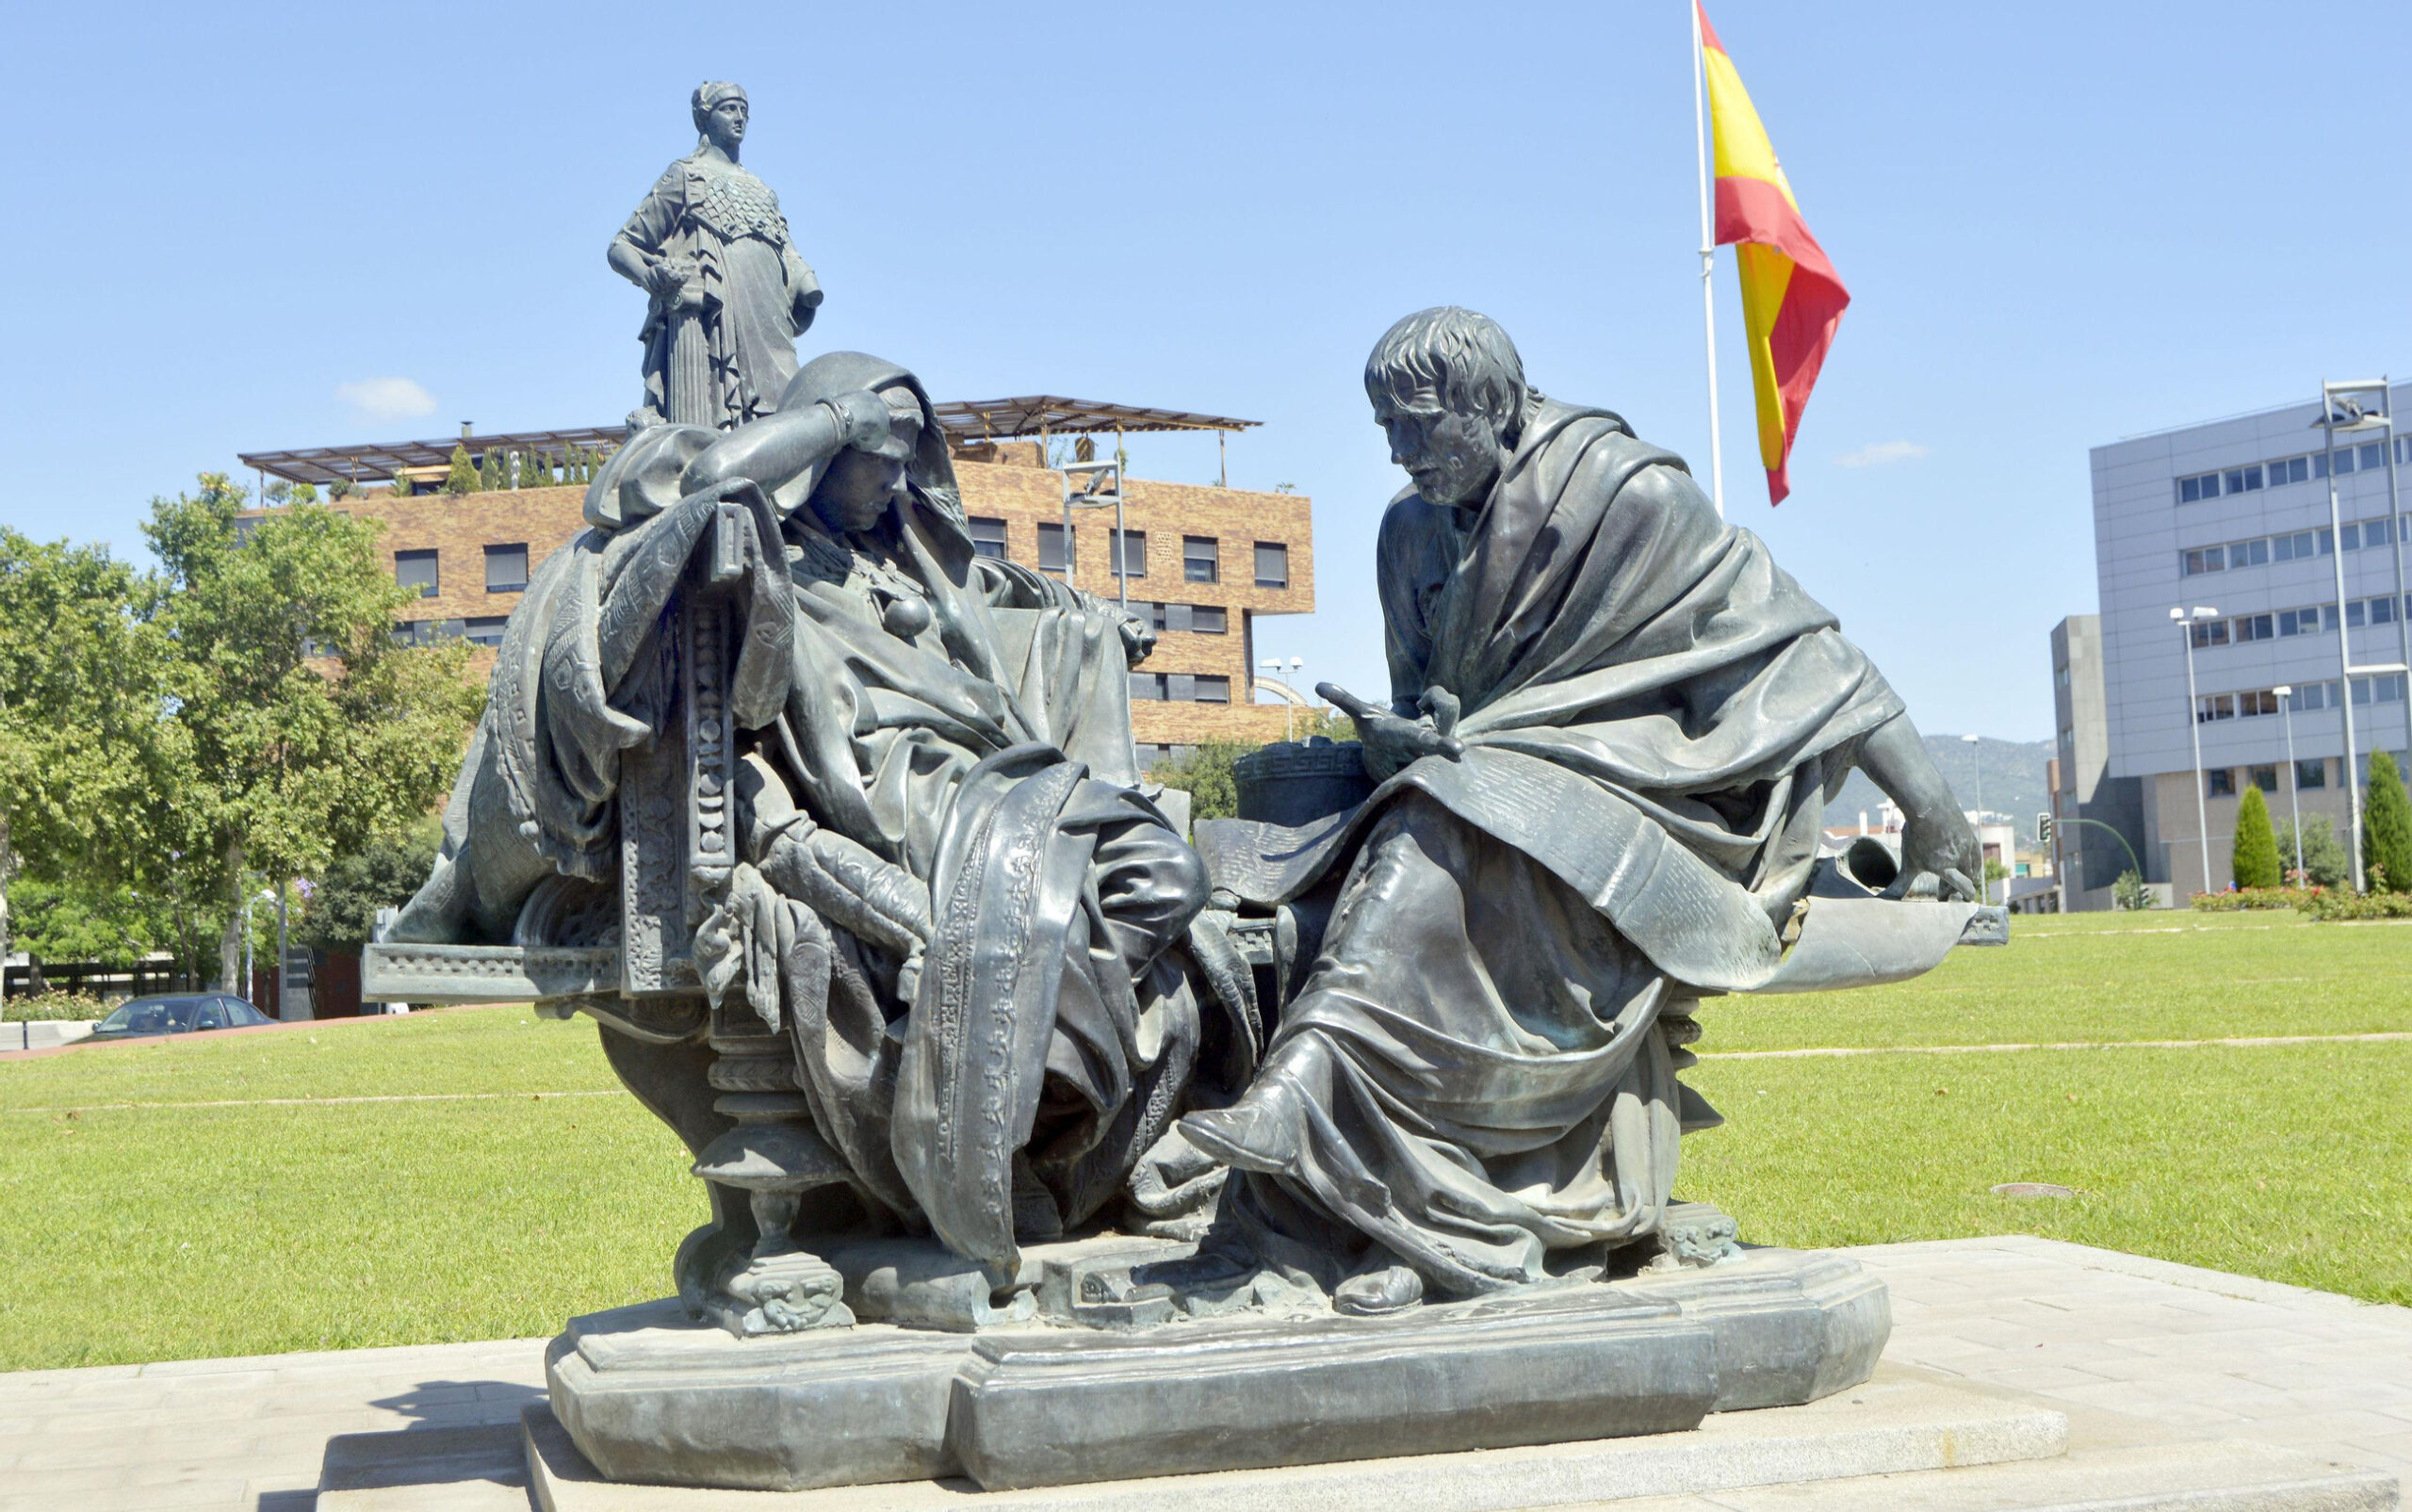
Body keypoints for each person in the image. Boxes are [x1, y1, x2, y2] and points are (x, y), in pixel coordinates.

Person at [1178, 307, 1979, 1316]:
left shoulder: (1629, 497)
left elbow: (1803, 656)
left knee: (1437, 829)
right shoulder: (1409, 530)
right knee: (1306, 872)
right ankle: (1385, 1206)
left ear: (1495, 405)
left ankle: (1310, 1090)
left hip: (1639, 793)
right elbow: (1435, 699)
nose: (1399, 451)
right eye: (1386, 428)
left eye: (1421, 425)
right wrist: (1400, 735)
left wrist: (1933, 810)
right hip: (1482, 787)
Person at [395, 351, 1224, 1279]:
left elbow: (1007, 605)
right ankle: (1017, 1052)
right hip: (918, 803)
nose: (897, 481)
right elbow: (705, 480)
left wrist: (1091, 626)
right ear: (824, 453)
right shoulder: (778, 557)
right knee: (1165, 880)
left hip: (1004, 778)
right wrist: (838, 418)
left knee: (1184, 909)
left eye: (910, 459)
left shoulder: (902, 557)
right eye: (880, 458)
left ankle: (1025, 1053)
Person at [610, 82, 822, 430]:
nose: (739, 118)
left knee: (786, 415)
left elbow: (787, 251)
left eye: (744, 111)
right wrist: (651, 276)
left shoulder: (762, 189)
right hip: (716, 322)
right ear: (704, 118)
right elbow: (621, 247)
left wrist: (805, 284)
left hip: (771, 321)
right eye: (728, 109)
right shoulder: (684, 176)